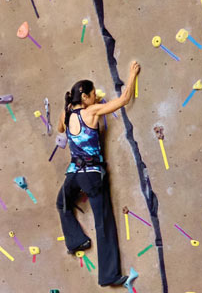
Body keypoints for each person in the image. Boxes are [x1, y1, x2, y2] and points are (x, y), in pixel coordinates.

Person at [55, 62, 140, 287]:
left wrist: (65, 109)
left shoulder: (66, 113)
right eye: (92, 95)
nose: (95, 98)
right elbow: (122, 101)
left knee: (62, 203)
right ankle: (109, 275)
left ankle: (77, 241)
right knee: (104, 222)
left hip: (75, 173)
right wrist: (131, 76)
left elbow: (60, 129)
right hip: (92, 174)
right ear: (84, 97)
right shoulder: (90, 111)